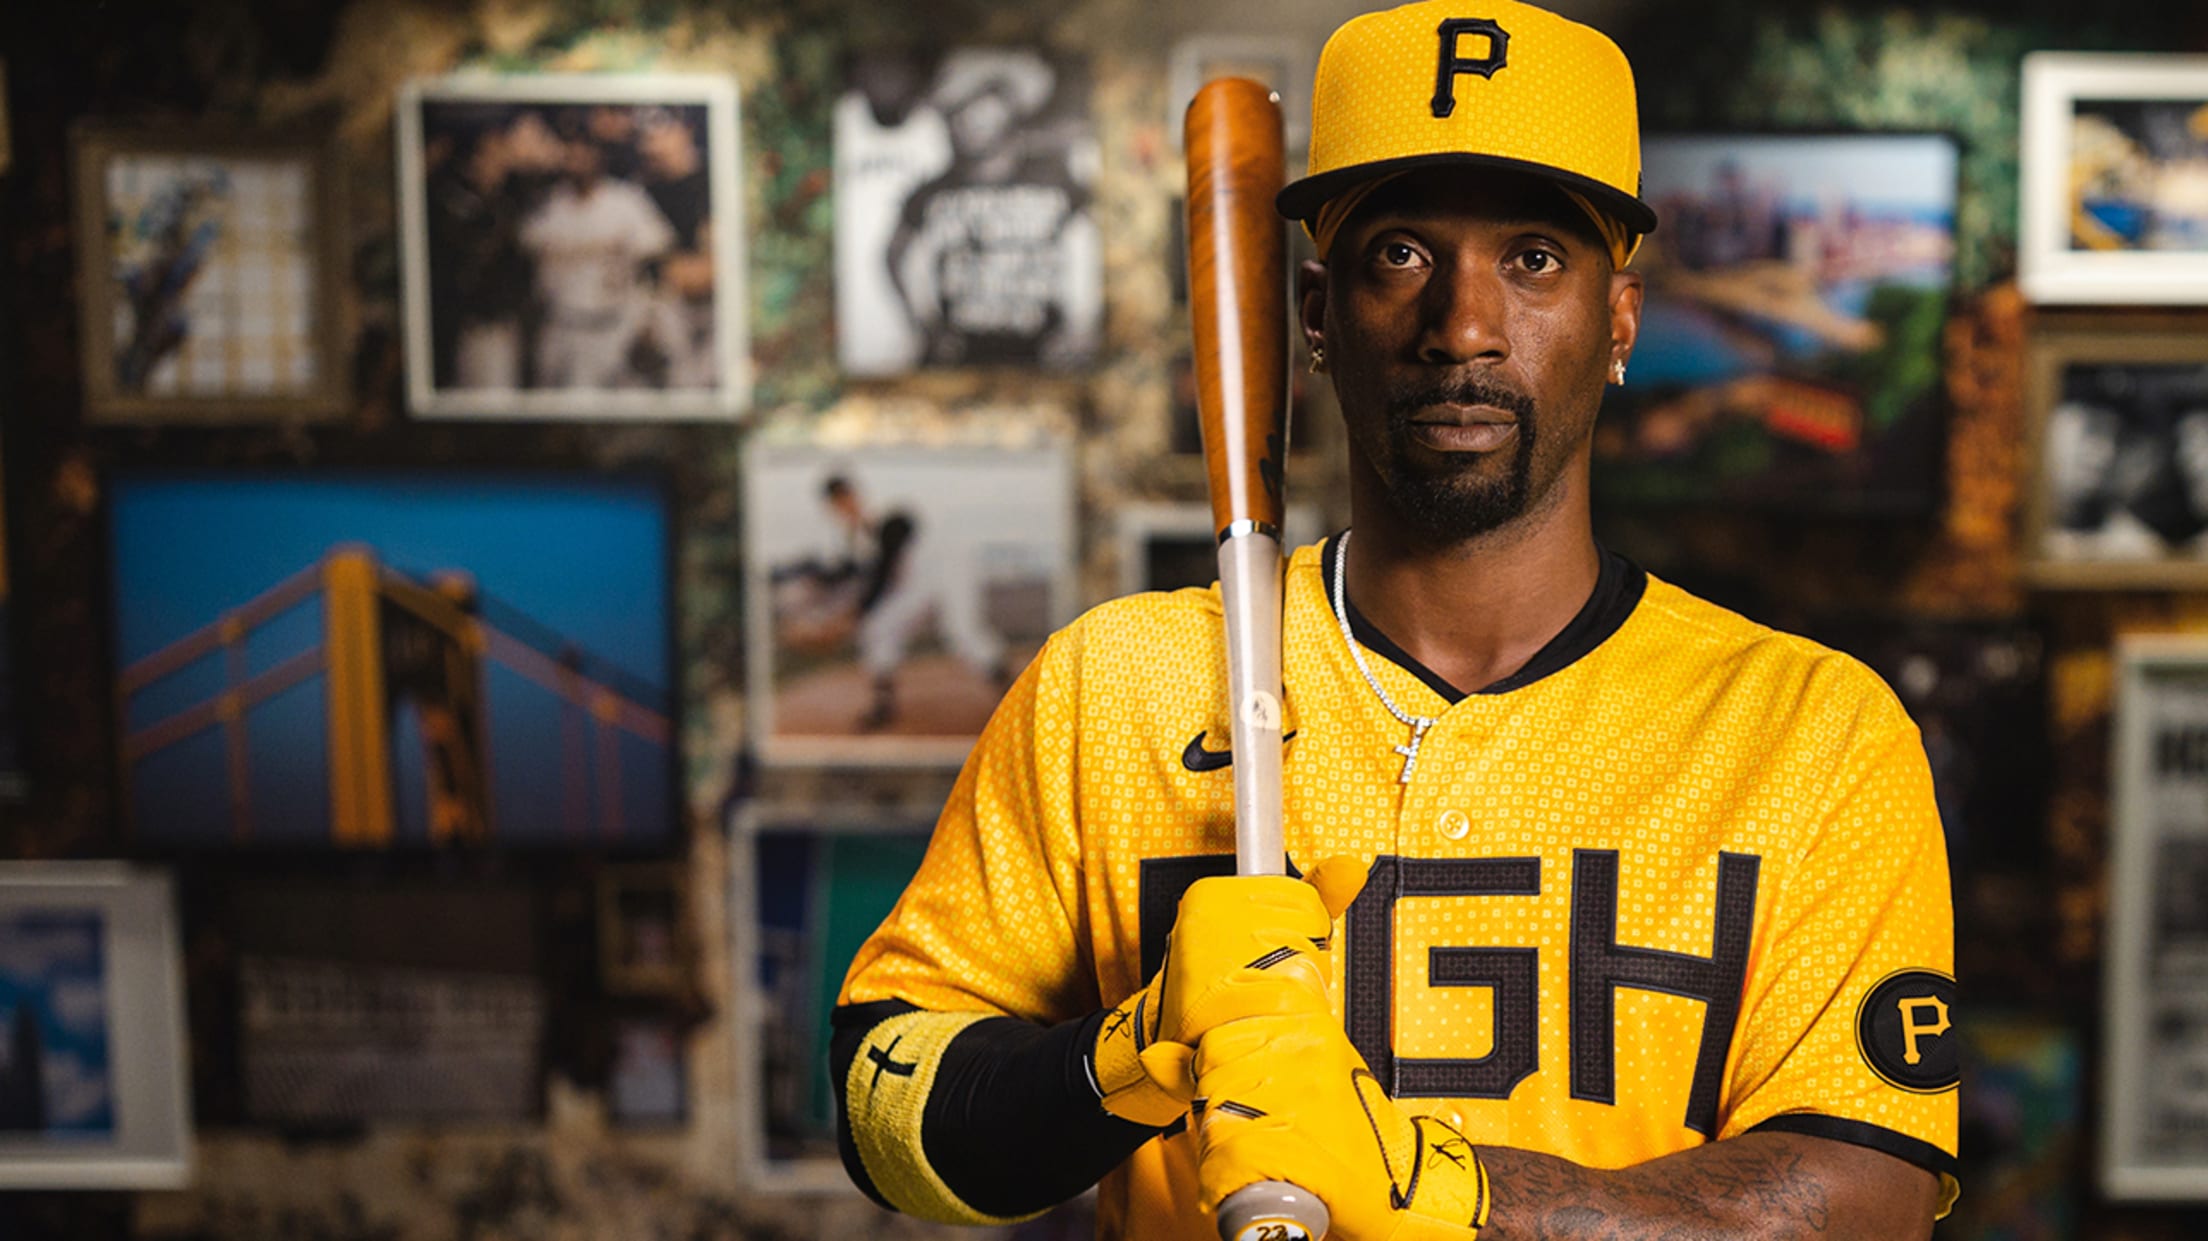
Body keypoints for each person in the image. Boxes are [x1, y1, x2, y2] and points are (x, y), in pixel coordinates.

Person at [830, 3, 1958, 1239]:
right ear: (1314, 315)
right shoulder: (1121, 683)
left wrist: (1448, 1191)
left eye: (1533, 257)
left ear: (1620, 320)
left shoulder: (1813, 732)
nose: (1464, 327)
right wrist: (1130, 1051)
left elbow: (1872, 1194)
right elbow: (883, 1106)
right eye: (1402, 255)